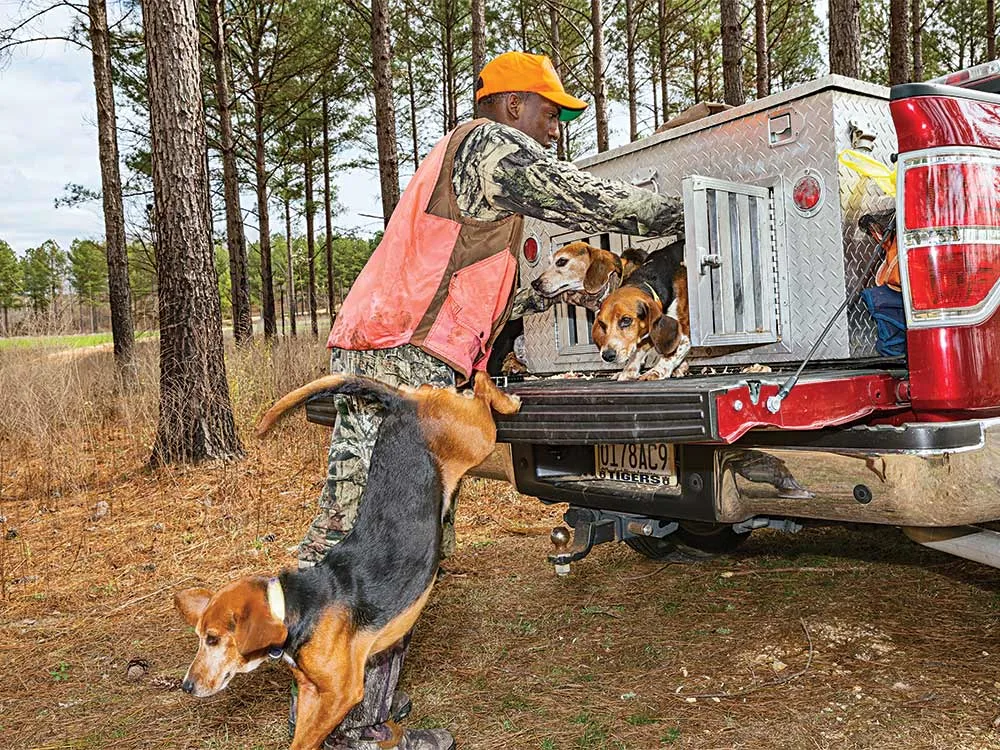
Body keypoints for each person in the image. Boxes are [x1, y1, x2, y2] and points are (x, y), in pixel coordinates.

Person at [296, 51, 685, 750]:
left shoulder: (480, 185)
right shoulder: (488, 144)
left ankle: (369, 715)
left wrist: (546, 291)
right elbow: (582, 197)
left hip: (414, 363)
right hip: (397, 361)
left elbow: (475, 286)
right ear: (512, 107)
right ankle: (340, 728)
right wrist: (684, 207)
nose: (557, 128)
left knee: (409, 547)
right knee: (364, 544)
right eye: (550, 113)